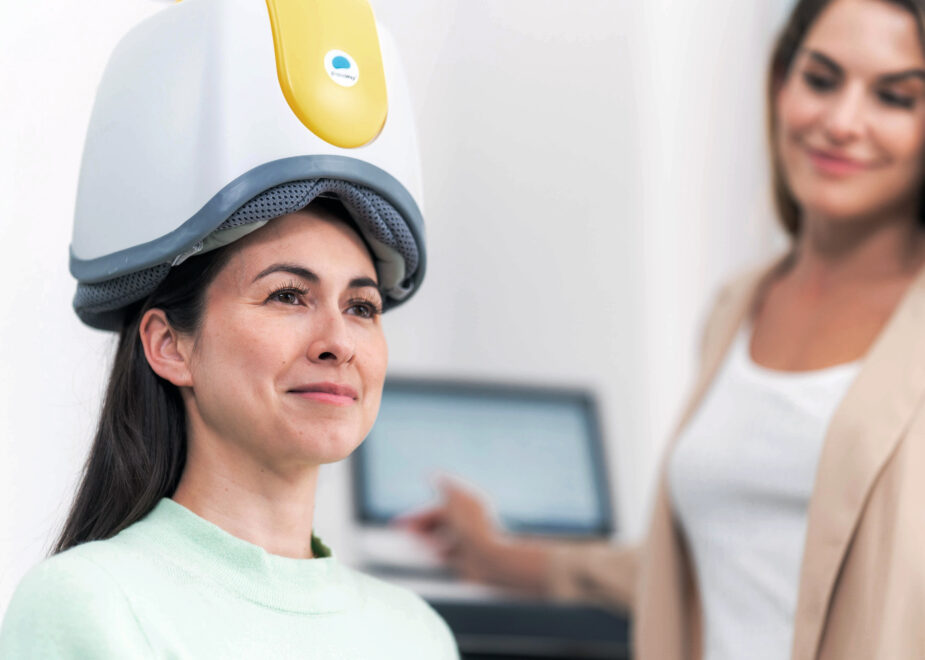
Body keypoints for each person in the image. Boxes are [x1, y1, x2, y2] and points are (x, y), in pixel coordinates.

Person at [403, 0, 925, 658]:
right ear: (779, 85)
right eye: (820, 80)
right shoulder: (739, 305)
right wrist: (499, 555)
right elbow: (697, 566)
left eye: (895, 97)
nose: (842, 122)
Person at [0, 0, 457, 657]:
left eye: (361, 307)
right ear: (168, 344)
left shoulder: (417, 634)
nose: (337, 341)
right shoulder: (93, 605)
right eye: (288, 296)